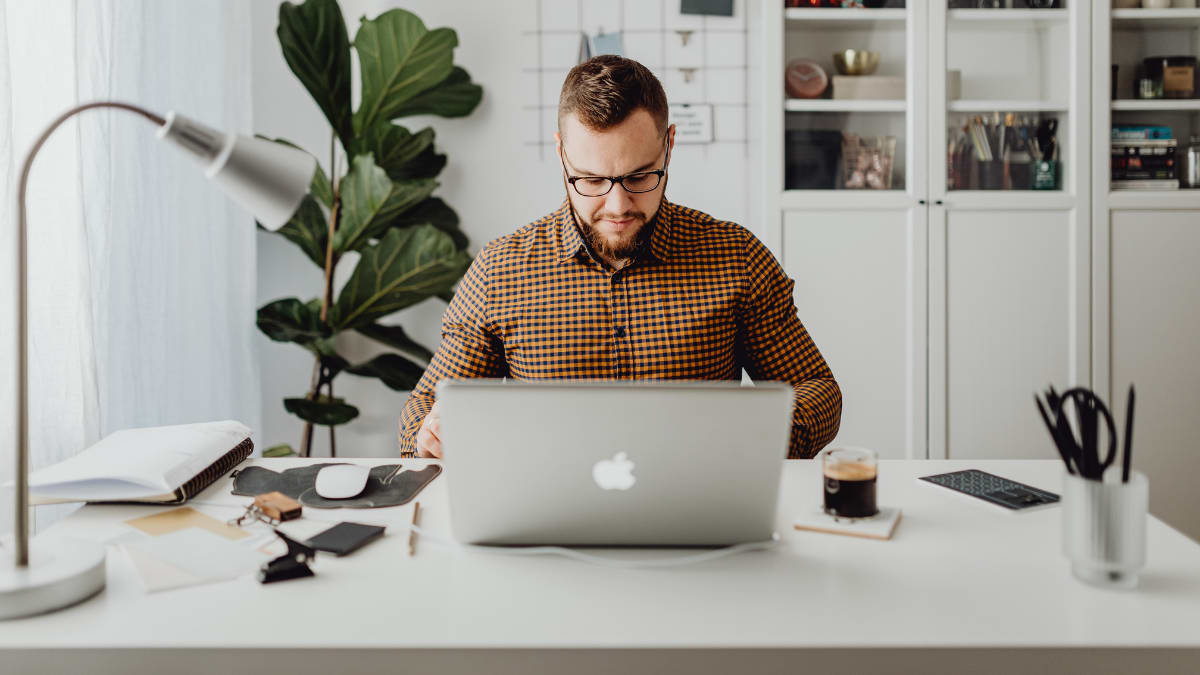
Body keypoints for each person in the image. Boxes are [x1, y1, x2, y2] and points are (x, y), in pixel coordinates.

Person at [398, 55, 841, 459]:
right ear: (561, 154)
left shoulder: (735, 257)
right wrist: (429, 432)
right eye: (590, 180)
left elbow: (818, 390)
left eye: (639, 176)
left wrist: (760, 436)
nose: (617, 206)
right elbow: (424, 406)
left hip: (697, 513)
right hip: (546, 521)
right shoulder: (501, 270)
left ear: (669, 146)